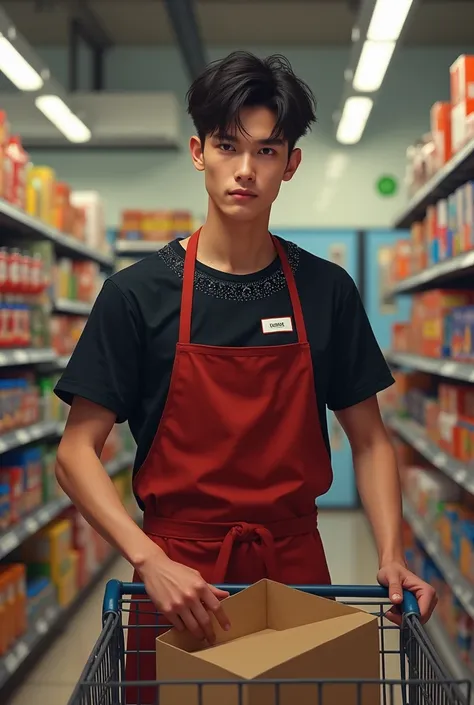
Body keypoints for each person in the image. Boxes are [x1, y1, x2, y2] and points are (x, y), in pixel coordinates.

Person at [54, 51, 437, 696]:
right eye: (229, 146)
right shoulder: (136, 295)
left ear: (290, 164)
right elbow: (75, 452)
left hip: (296, 565)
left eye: (266, 151)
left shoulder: (325, 290)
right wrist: (149, 560)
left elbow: (370, 440)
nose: (245, 170)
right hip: (177, 578)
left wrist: (391, 556)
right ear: (199, 151)